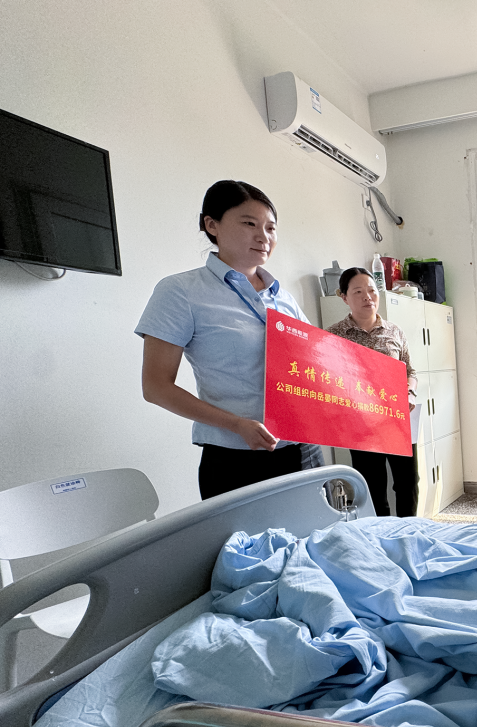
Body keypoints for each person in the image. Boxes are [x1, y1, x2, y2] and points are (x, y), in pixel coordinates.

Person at [136, 180, 310, 500]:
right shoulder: (181, 291)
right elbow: (156, 387)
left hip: (299, 451)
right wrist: (236, 424)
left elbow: (315, 368)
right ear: (212, 225)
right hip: (234, 459)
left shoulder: (283, 298)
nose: (263, 237)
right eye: (249, 224)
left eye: (271, 228)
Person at [326, 266, 419, 517]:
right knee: (373, 486)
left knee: (408, 482)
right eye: (358, 292)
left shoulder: (394, 331)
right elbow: (328, 379)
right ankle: (381, 534)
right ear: (344, 297)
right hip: (360, 424)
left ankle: (409, 530)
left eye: (371, 290)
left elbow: (410, 371)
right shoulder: (334, 335)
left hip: (396, 419)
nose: (367, 297)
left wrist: (409, 392)